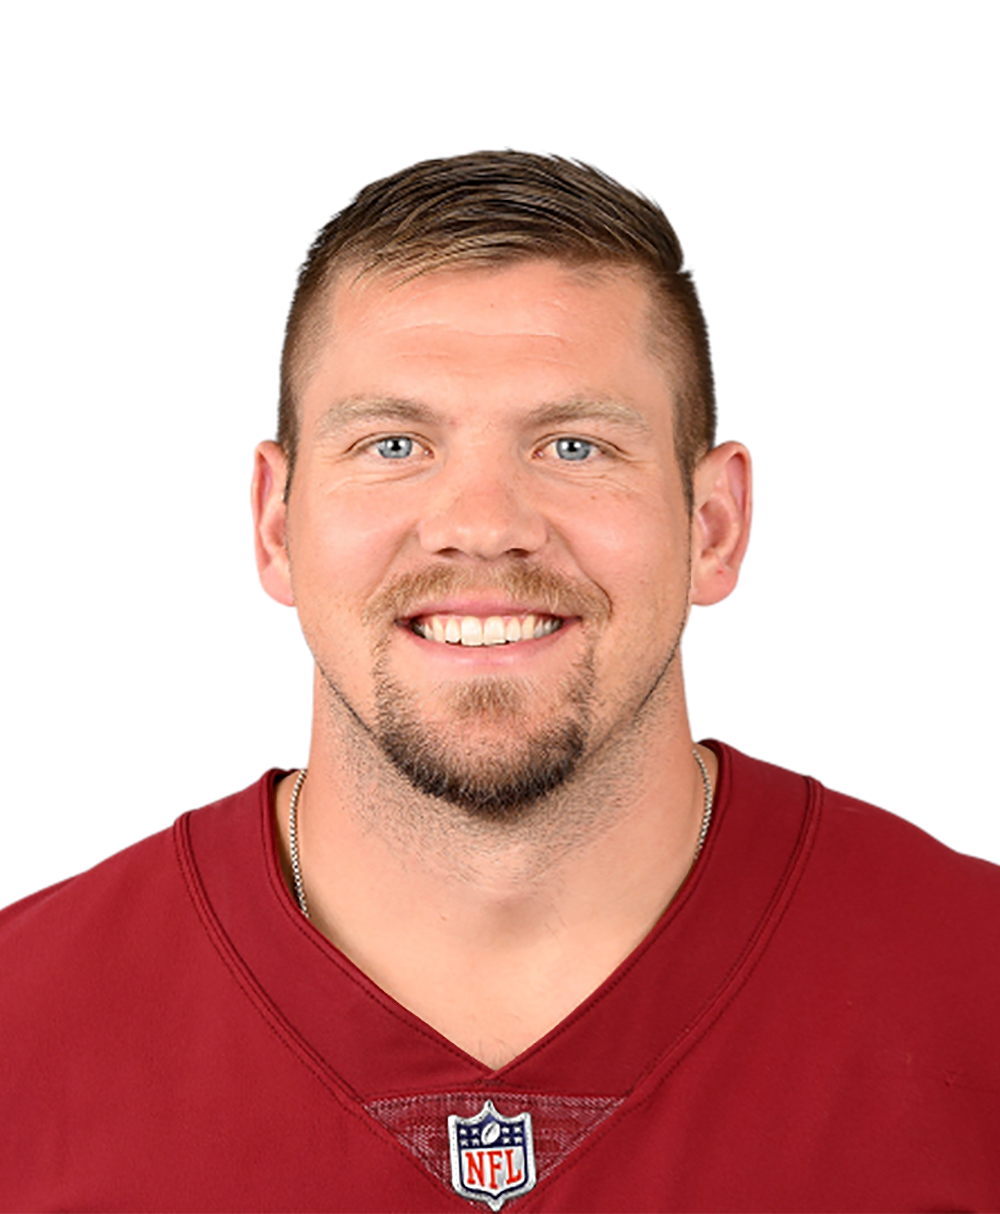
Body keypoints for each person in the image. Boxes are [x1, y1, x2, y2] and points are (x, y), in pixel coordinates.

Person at [2, 148, 998, 1212]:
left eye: (573, 445)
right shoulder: (24, 1018)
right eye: (393, 442)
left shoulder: (973, 986)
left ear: (714, 525)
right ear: (272, 521)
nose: (482, 525)